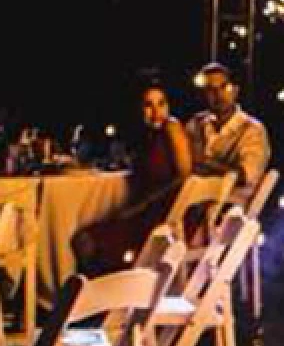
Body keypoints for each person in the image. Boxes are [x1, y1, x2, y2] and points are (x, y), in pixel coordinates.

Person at [74, 82, 194, 271]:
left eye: (161, 104)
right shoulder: (148, 136)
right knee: (86, 238)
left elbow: (184, 174)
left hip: (167, 213)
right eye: (148, 105)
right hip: (147, 213)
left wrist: (143, 204)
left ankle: (109, 292)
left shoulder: (171, 126)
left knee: (87, 239)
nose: (156, 111)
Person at [188, 61, 271, 204]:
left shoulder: (252, 129)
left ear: (235, 90)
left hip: (232, 208)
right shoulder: (196, 124)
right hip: (195, 204)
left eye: (224, 87)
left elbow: (246, 175)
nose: (218, 94)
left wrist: (205, 165)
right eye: (210, 90)